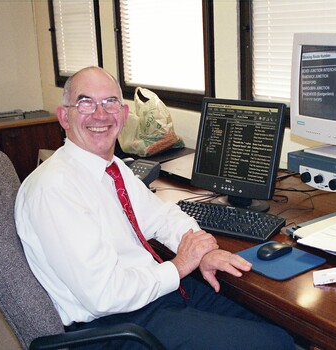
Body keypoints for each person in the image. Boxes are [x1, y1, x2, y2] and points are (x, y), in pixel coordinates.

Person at [15, 66, 295, 349]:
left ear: (124, 115)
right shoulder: (54, 189)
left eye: (110, 102)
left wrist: (202, 250)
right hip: (116, 324)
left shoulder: (111, 168)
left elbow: (160, 217)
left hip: (153, 294)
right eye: (86, 103)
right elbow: (104, 296)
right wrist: (181, 265)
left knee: (278, 326)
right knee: (273, 343)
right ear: (64, 116)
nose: (100, 115)